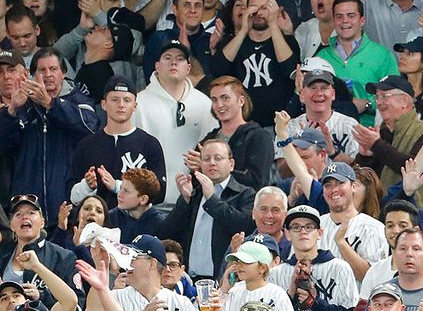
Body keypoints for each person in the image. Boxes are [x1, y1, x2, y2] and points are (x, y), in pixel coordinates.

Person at [0, 47, 98, 226]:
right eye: (42, 70)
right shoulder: (23, 104)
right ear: (32, 74)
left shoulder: (79, 100)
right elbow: (4, 145)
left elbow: (89, 128)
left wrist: (50, 104)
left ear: (63, 73)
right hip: (28, 206)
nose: (48, 75)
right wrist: (12, 109)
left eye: (53, 69)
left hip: (67, 203)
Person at [268, 205, 358, 311]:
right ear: (287, 233)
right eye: (296, 227)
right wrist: (291, 296)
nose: (303, 232)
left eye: (309, 227)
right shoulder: (276, 274)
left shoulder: (340, 268)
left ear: (319, 233)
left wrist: (316, 304)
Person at [135, 39, 215, 209]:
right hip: (149, 202)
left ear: (188, 68)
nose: (173, 62)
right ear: (156, 66)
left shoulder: (205, 104)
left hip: (193, 201)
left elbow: (215, 149)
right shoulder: (138, 103)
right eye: (167, 57)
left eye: (180, 58)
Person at [164, 137, 255, 280]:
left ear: (231, 164)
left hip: (223, 279)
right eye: (206, 159)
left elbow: (244, 226)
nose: (212, 163)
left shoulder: (245, 194)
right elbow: (168, 233)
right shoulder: (195, 194)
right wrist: (185, 200)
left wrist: (212, 199)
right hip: (189, 279)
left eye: (218, 158)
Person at [69, 76, 167, 210]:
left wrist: (118, 186)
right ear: (103, 104)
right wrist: (86, 186)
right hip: (98, 225)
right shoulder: (87, 145)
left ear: (135, 106)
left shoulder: (149, 144)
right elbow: (71, 195)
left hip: (136, 224)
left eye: (127, 100)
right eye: (115, 99)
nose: (121, 105)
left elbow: (159, 193)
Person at [213, 0, 299, 129]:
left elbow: (291, 72)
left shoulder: (287, 41)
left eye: (265, 8)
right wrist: (243, 30)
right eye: (253, 7)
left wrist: (273, 24)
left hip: (280, 125)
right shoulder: (231, 42)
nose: (258, 13)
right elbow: (217, 70)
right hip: (243, 125)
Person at [353, 75, 423, 205]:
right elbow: (367, 181)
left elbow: (415, 169)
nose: (379, 102)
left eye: (384, 96)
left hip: (412, 211)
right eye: (377, 97)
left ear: (404, 101)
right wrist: (365, 157)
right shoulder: (380, 134)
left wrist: (377, 145)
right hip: (380, 210)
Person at [316, 0, 399, 126]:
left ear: (362, 20)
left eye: (351, 15)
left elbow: (396, 99)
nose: (345, 21)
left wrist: (368, 105)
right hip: (329, 133)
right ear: (333, 21)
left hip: (370, 133)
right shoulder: (321, 57)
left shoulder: (382, 56)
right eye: (339, 16)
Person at [221, 239, 297, 311]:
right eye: (237, 261)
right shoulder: (232, 291)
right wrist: (224, 289)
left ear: (262, 267)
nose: (239, 265)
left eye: (246, 262)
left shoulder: (276, 293)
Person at [206, 76, 274, 191]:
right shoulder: (208, 140)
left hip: (244, 206)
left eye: (225, 98)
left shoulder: (259, 137)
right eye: (214, 100)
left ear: (241, 101)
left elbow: (257, 182)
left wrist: (213, 168)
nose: (219, 105)